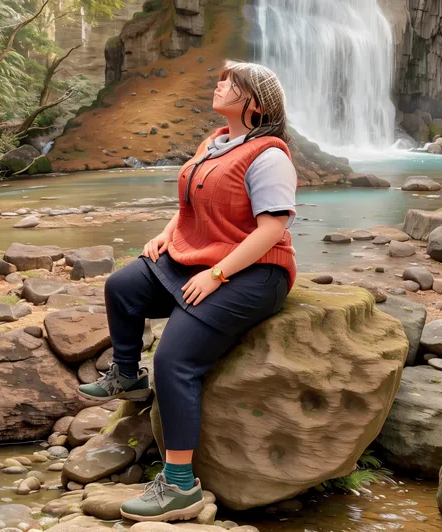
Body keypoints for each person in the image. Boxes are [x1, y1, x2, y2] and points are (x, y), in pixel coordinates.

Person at [78, 60, 298, 523]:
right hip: (200, 257)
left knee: (174, 360)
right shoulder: (213, 144)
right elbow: (191, 203)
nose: (219, 85)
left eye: (230, 83)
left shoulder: (269, 155)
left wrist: (216, 274)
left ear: (254, 103)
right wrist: (166, 233)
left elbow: (273, 227)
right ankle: (126, 376)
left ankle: (179, 485)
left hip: (257, 273)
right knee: (123, 284)